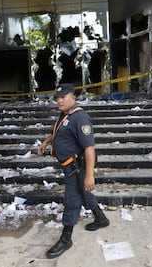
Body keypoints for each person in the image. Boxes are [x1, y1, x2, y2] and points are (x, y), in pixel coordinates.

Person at [37, 83, 109, 259]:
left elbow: (90, 148)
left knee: (72, 200)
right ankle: (101, 219)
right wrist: (47, 141)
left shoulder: (80, 118)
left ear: (73, 98)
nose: (59, 100)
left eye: (63, 97)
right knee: (85, 194)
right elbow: (60, 133)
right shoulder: (66, 115)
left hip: (76, 168)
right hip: (70, 166)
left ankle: (66, 238)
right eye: (57, 97)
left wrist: (90, 175)